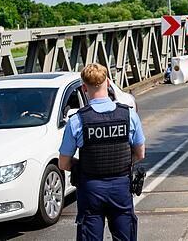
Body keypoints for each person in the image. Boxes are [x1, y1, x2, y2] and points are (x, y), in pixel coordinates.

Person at [59, 63, 145, 241]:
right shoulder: (129, 115)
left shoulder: (77, 120)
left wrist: (84, 165)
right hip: (120, 187)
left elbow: (63, 163)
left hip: (91, 189)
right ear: (108, 82)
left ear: (84, 88)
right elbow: (140, 154)